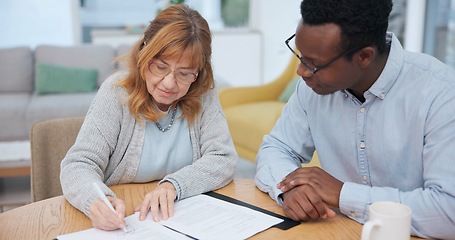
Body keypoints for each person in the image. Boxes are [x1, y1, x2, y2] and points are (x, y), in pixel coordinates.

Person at [255, 0, 455, 239]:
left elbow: (447, 211)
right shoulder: (312, 89)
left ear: (364, 57)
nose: (301, 71)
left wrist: (343, 195)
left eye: (314, 64)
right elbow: (276, 147)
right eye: (300, 56)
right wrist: (289, 190)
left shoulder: (441, 94)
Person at [60, 4, 237, 231]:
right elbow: (78, 164)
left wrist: (174, 185)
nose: (169, 83)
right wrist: (96, 200)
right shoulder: (116, 92)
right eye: (160, 66)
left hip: (183, 219)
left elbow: (223, 158)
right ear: (144, 53)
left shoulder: (203, 93)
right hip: (128, 220)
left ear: (199, 73)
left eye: (184, 73)